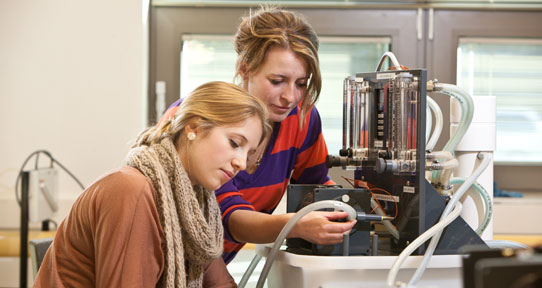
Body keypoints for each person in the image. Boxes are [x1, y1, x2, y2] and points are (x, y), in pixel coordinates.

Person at [159, 7, 356, 264]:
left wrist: (354, 206)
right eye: (277, 81)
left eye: (300, 84)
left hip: (209, 269)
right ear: (245, 68)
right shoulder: (194, 119)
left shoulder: (301, 119)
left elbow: (316, 189)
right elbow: (229, 218)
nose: (290, 97)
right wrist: (295, 225)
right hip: (166, 263)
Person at [34, 81, 271, 287]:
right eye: (234, 143)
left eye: (249, 154)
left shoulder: (195, 205)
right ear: (193, 127)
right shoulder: (130, 190)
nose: (241, 163)